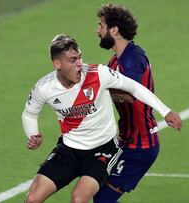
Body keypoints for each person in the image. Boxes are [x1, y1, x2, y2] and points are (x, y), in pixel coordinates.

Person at [21, 34, 181, 203]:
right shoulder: (44, 88)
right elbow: (30, 113)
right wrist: (33, 134)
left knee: (78, 199)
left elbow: (134, 87)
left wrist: (165, 111)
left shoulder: (99, 73)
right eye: (73, 60)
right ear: (57, 64)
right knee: (32, 199)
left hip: (102, 150)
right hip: (69, 148)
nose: (79, 65)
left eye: (80, 58)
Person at [93, 4, 176, 202]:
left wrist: (101, 92)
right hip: (125, 141)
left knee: (103, 198)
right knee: (94, 188)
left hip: (141, 146)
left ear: (114, 30)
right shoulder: (115, 62)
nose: (98, 30)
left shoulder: (133, 58)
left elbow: (131, 94)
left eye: (101, 25)